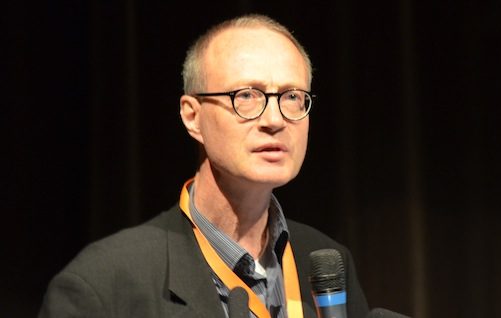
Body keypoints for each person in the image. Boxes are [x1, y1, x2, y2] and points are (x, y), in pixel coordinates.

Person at [39, 14, 369, 318]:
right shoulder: (105, 283)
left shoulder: (326, 262)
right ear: (192, 116)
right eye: (247, 95)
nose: (274, 119)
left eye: (292, 96)